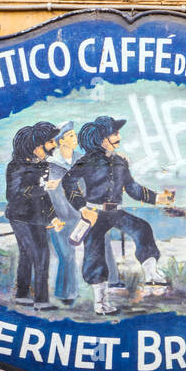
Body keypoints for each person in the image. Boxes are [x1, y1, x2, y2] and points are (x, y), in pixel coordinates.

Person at [62, 115, 175, 315]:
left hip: (116, 211)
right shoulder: (85, 162)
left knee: (142, 228)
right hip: (94, 213)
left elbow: (132, 189)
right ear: (101, 138)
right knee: (93, 252)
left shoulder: (119, 162)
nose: (118, 137)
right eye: (114, 133)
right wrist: (81, 208)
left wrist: (158, 198)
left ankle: (151, 273)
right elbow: (68, 183)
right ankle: (100, 302)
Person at [45, 122, 120, 305]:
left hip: (84, 211)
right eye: (70, 135)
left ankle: (112, 281)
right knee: (67, 254)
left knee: (103, 242)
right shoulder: (49, 165)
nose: (75, 138)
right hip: (60, 215)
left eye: (75, 135)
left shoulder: (83, 159)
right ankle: (66, 294)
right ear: (61, 140)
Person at [4, 122, 65, 308]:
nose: (53, 146)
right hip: (19, 217)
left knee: (37, 255)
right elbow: (13, 194)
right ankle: (40, 300)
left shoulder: (43, 165)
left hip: (38, 217)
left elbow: (45, 198)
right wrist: (43, 187)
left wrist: (53, 217)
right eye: (49, 142)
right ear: (35, 146)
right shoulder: (15, 166)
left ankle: (24, 295)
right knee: (35, 254)